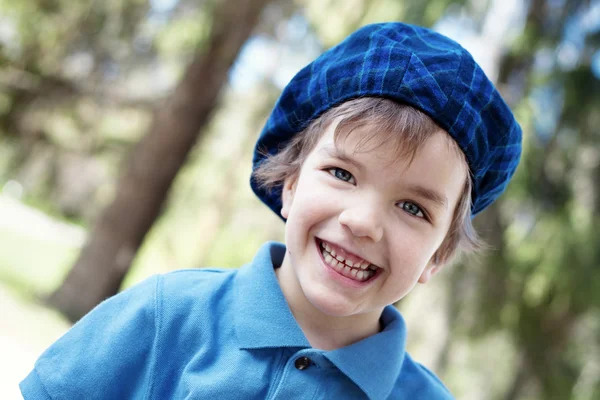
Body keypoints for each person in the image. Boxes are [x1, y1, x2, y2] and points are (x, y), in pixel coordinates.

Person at [20, 22, 522, 399]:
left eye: (412, 207)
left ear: (438, 256)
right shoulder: (166, 316)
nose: (362, 221)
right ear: (289, 182)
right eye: (342, 174)